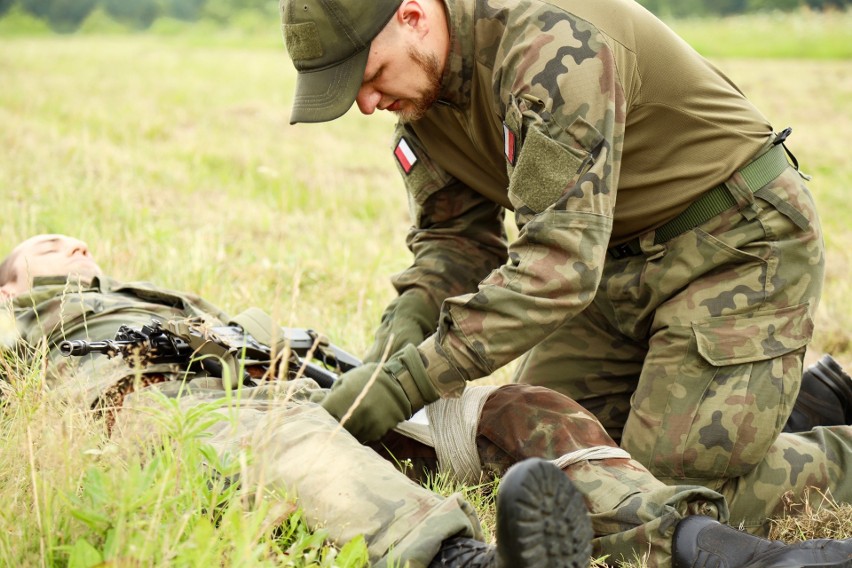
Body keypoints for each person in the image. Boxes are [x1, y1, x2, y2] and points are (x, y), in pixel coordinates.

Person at [279, 0, 852, 566]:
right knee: (553, 452)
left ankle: (830, 450)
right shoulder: (425, 105)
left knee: (664, 496)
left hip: (733, 245)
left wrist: (405, 385)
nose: (365, 102)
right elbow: (454, 244)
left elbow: (558, 267)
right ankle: (798, 399)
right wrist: (394, 343)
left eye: (370, 75)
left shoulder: (551, 45)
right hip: (612, 268)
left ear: (413, 15)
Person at [4, 234, 852, 567]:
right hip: (205, 406)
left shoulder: (161, 293)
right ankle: (462, 562)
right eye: (45, 246)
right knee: (289, 447)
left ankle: (697, 541)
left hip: (319, 391)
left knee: (516, 406)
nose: (70, 244)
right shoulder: (23, 326)